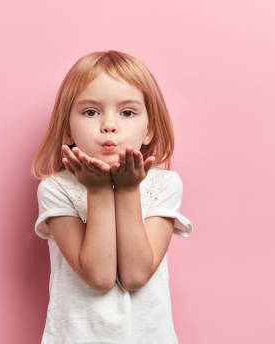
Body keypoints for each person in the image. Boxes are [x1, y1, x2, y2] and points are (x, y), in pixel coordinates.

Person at [31, 50, 193, 343]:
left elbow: (135, 275)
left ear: (149, 130)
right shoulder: (56, 189)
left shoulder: (164, 185)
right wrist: (99, 190)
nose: (109, 125)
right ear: (67, 128)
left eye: (127, 112)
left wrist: (128, 189)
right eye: (91, 112)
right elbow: (100, 277)